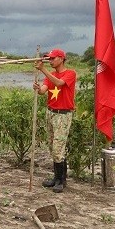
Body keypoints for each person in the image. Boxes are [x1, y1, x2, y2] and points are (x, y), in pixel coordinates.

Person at [33, 49, 76, 193]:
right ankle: (57, 178)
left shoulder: (70, 74)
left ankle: (62, 181)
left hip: (63, 115)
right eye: (48, 59)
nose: (50, 61)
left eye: (52, 59)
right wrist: (38, 88)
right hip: (50, 112)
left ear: (61, 59)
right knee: (53, 147)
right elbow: (43, 90)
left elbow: (59, 83)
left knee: (58, 148)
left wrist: (43, 69)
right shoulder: (50, 76)